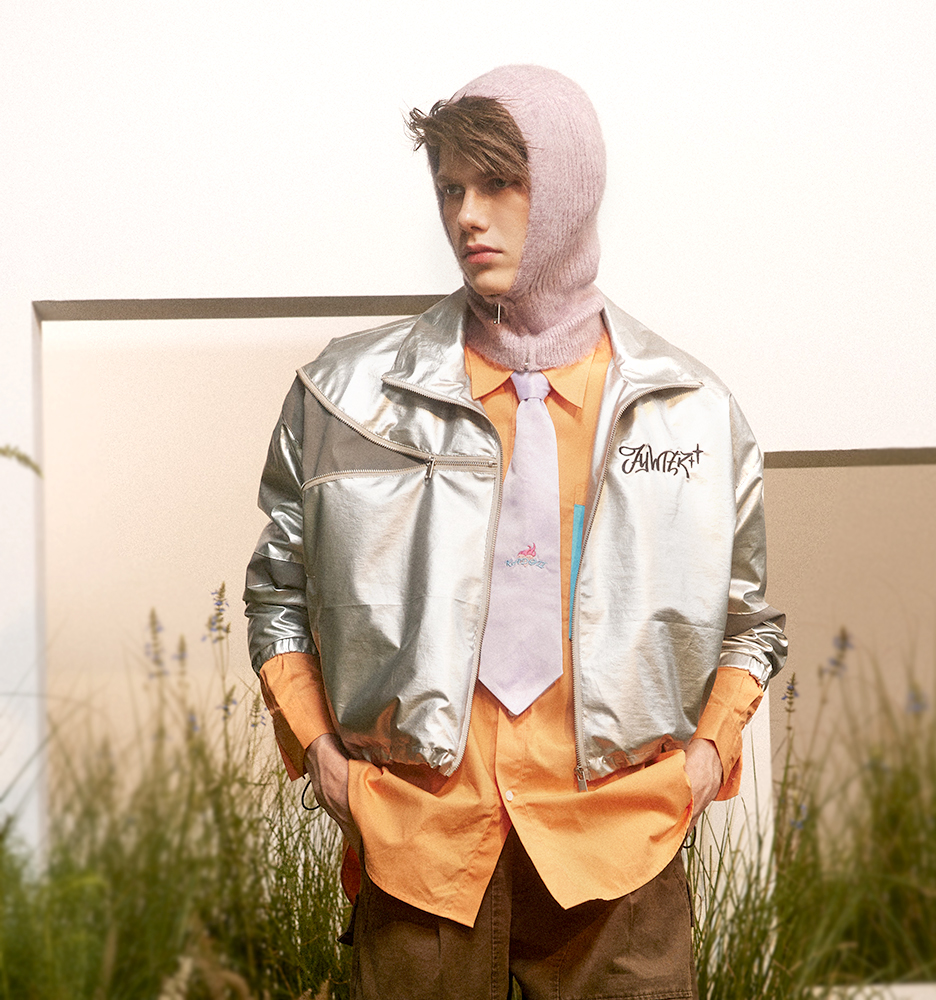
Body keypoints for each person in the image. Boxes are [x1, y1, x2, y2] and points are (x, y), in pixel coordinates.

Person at [244, 64, 786, 1000]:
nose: (467, 217)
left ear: (570, 189)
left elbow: (748, 625)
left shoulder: (692, 413)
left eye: (499, 184)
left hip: (620, 860)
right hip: (418, 853)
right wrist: (322, 758)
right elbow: (276, 595)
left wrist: (704, 762)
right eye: (450, 188)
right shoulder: (343, 398)